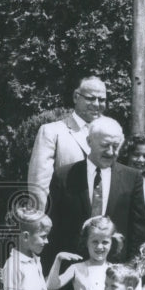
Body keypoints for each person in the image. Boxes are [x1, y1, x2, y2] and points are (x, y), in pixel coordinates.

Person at [47, 116, 145, 269]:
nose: (111, 152)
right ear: (89, 142)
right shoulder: (64, 176)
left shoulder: (132, 178)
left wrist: (130, 268)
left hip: (116, 272)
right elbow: (53, 227)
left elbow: (137, 229)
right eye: (105, 145)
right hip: (71, 270)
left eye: (116, 146)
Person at [27, 76, 107, 211]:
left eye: (102, 99)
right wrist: (43, 223)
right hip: (64, 222)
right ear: (76, 97)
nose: (97, 104)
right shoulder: (52, 131)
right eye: (91, 98)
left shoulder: (110, 134)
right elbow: (39, 186)